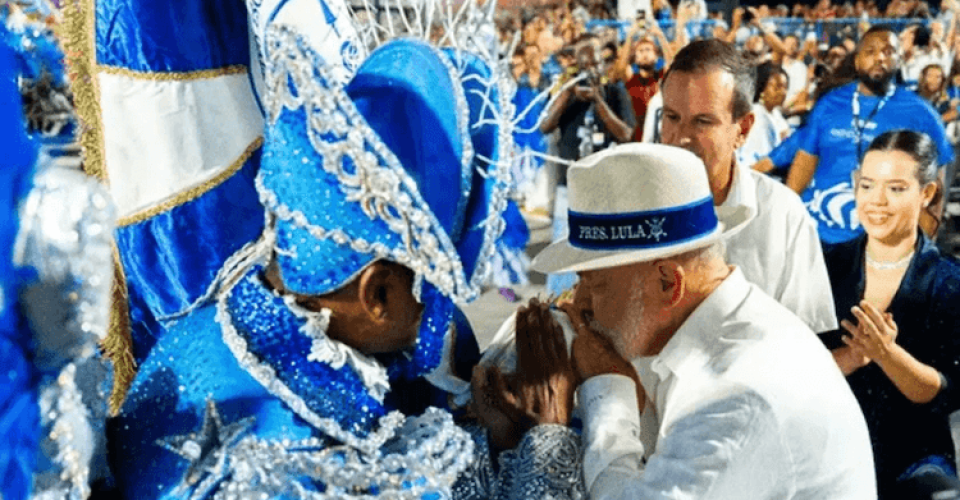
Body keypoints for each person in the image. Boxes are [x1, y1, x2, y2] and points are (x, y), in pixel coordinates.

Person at [106, 26, 584, 500]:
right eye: (431, 294)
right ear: (376, 294)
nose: (437, 320)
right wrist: (548, 446)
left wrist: (497, 442)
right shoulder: (294, 465)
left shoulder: (217, 332)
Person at [526, 143, 876, 498]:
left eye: (593, 284)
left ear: (667, 283)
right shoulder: (730, 336)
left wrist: (606, 394)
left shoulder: (735, 392)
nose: (579, 302)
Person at [659, 39, 837, 333]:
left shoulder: (783, 215)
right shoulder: (633, 205)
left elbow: (808, 341)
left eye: (702, 121)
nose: (681, 137)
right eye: (671, 117)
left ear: (742, 129)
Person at [820, 130, 960, 498]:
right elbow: (794, 371)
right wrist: (851, 357)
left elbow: (946, 393)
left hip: (914, 460)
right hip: (826, 448)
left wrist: (887, 355)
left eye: (896, 189)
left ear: (926, 193)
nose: (876, 202)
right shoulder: (824, 266)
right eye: (867, 186)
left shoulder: (950, 281)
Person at [759, 26, 954, 245]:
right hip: (819, 235)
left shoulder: (921, 113)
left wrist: (925, 242)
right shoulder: (829, 105)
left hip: (882, 241)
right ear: (857, 61)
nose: (879, 57)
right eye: (870, 52)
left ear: (900, 59)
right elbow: (803, 166)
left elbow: (937, 182)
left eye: (889, 52)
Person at [540, 33, 636, 183]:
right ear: (577, 68)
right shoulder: (567, 94)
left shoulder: (616, 92)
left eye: (596, 64)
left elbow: (626, 135)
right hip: (571, 181)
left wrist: (598, 101)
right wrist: (567, 93)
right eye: (585, 66)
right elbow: (545, 127)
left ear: (603, 65)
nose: (591, 71)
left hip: (607, 180)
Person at [738, 62, 791, 169]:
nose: (783, 92)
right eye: (777, 87)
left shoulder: (775, 113)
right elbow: (760, 163)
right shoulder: (758, 116)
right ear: (762, 88)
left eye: (785, 87)